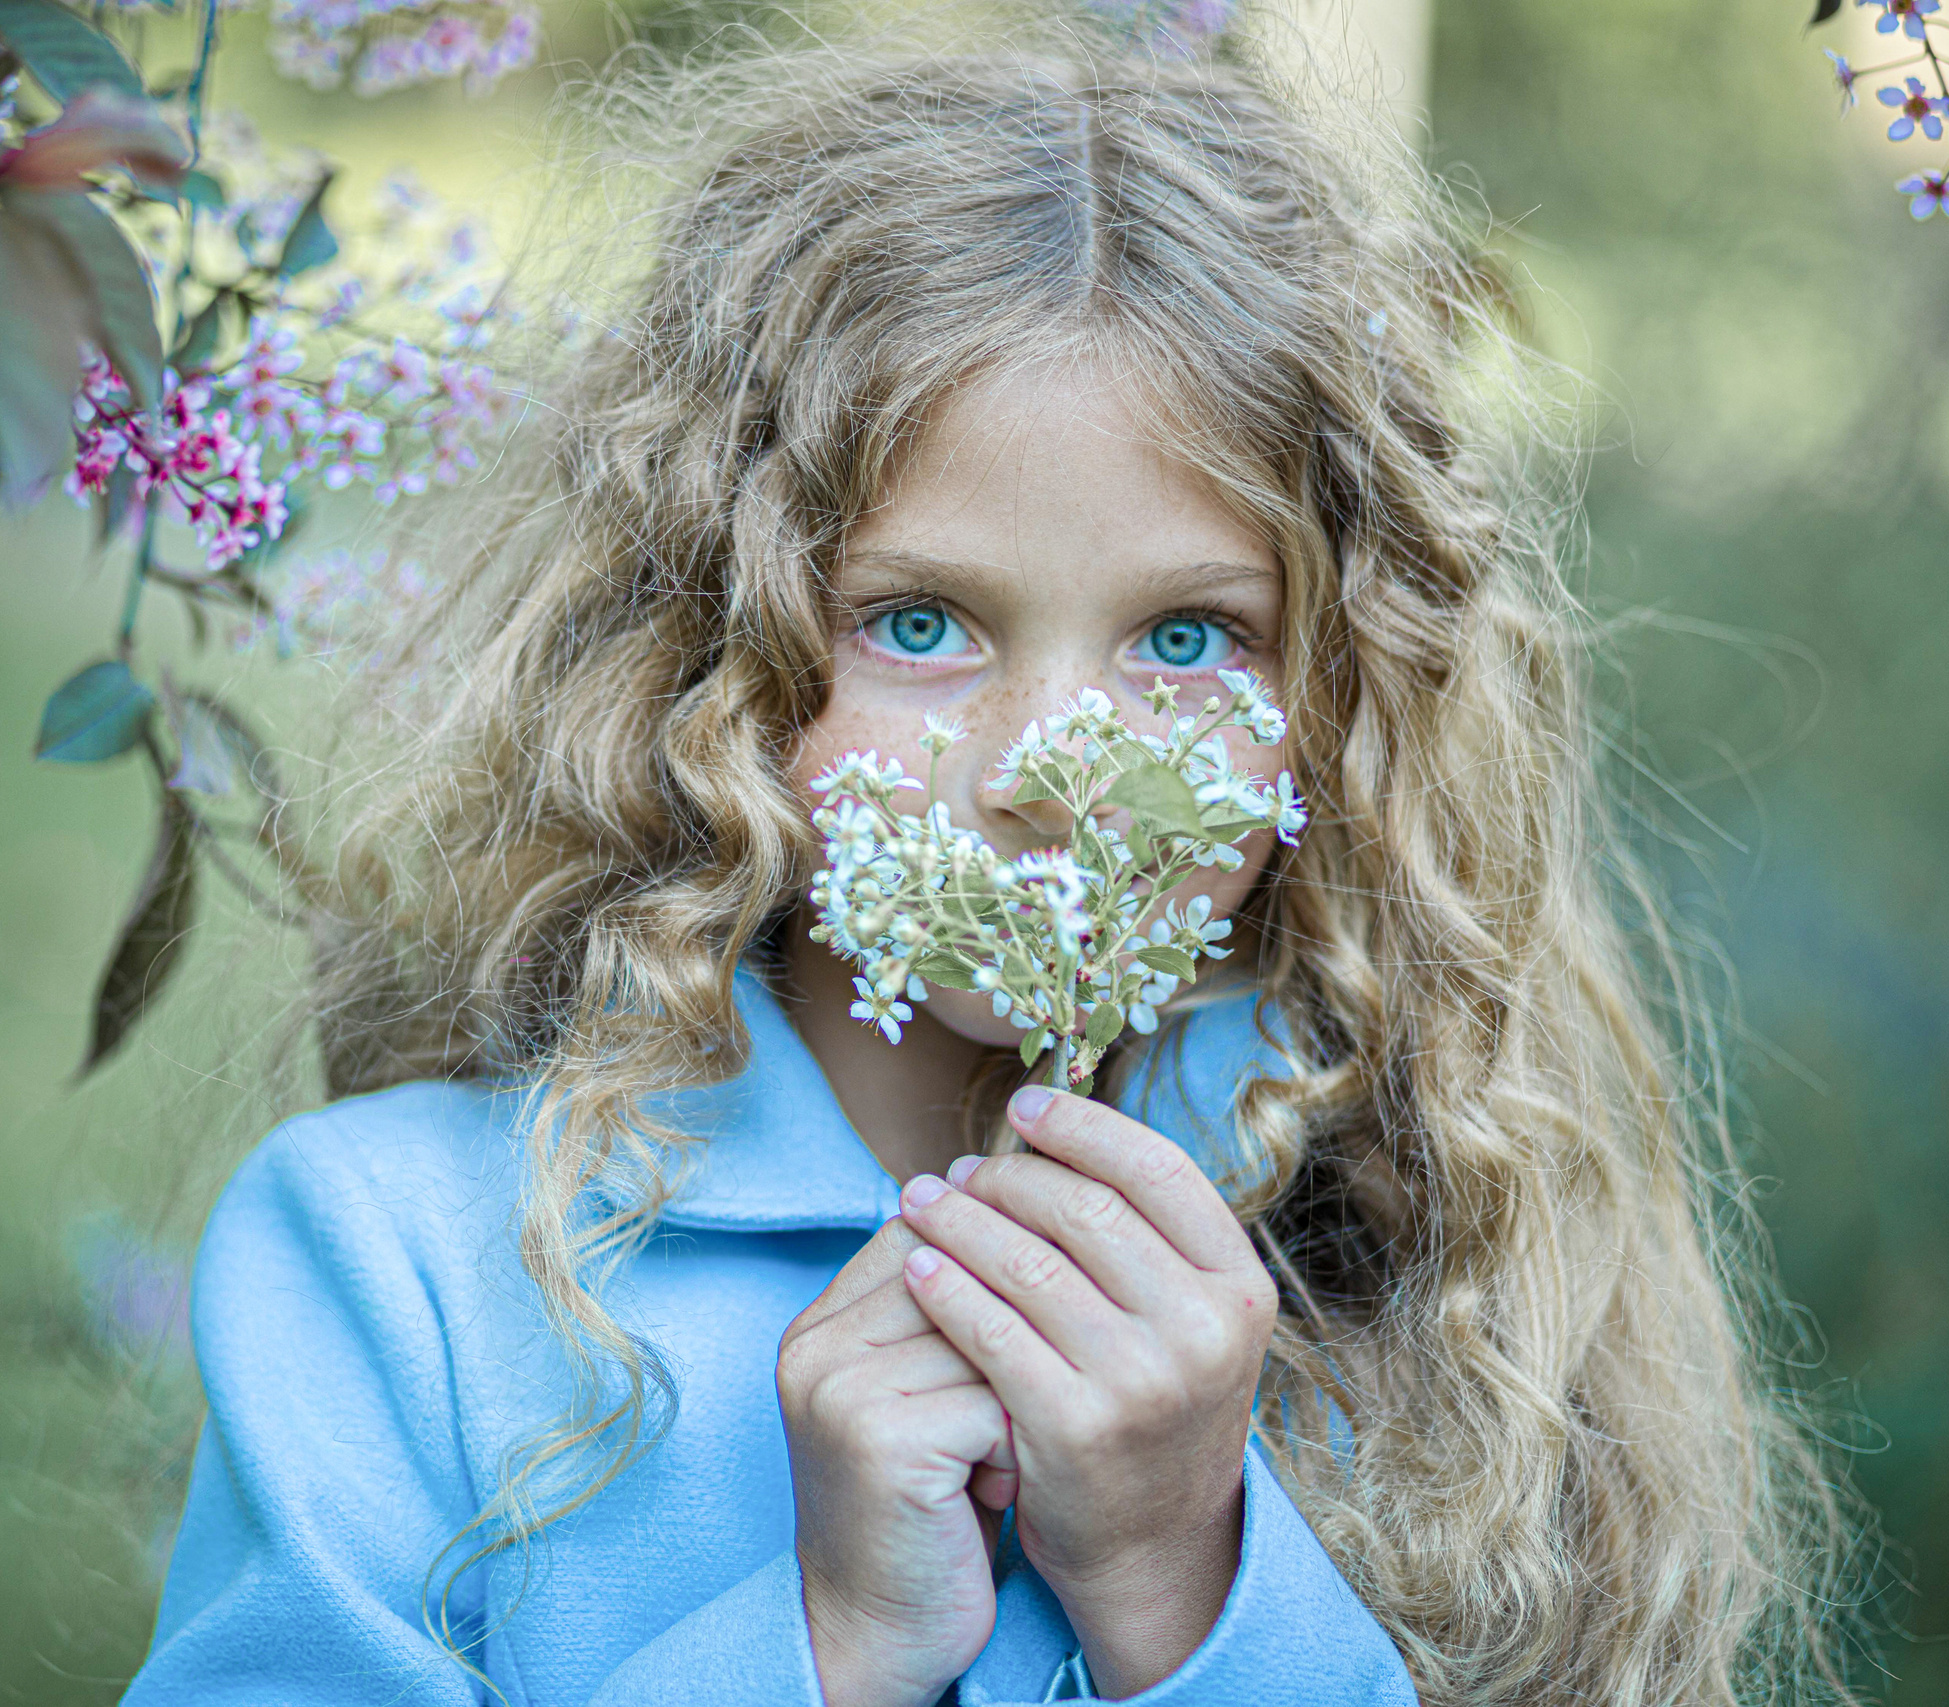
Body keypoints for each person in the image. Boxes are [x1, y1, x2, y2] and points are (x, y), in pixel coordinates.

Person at [122, 31, 1852, 1707]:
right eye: (921, 624)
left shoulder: (1430, 1264)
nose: (1049, 768)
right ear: (705, 651)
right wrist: (830, 1647)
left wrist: (1181, 1583)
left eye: (1188, 636)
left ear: (1343, 704)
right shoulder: (396, 1262)